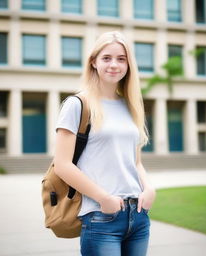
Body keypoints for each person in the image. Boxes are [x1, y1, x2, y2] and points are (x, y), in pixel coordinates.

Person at [54, 31, 156, 256]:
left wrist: (149, 188)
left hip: (138, 216)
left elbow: (135, 161)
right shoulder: (77, 104)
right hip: (101, 216)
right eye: (106, 58)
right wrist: (104, 198)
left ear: (129, 64)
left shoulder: (131, 106)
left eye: (121, 59)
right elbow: (62, 164)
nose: (114, 65)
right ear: (94, 62)